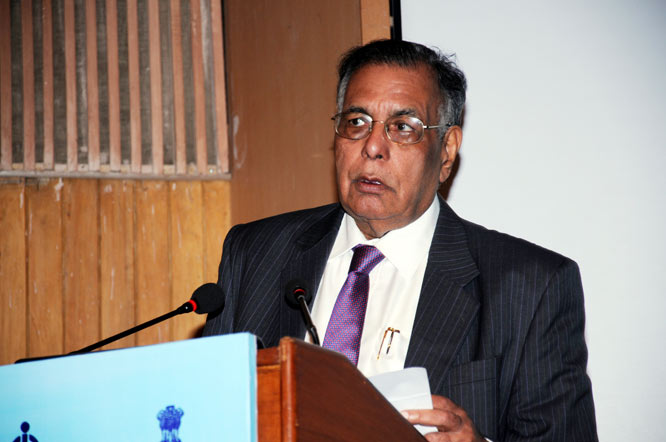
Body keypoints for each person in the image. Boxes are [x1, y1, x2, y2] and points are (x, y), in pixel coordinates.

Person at [202, 39, 597, 441]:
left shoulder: (530, 287)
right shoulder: (255, 254)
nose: (372, 147)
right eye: (356, 122)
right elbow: (206, 413)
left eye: (403, 128)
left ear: (446, 151)